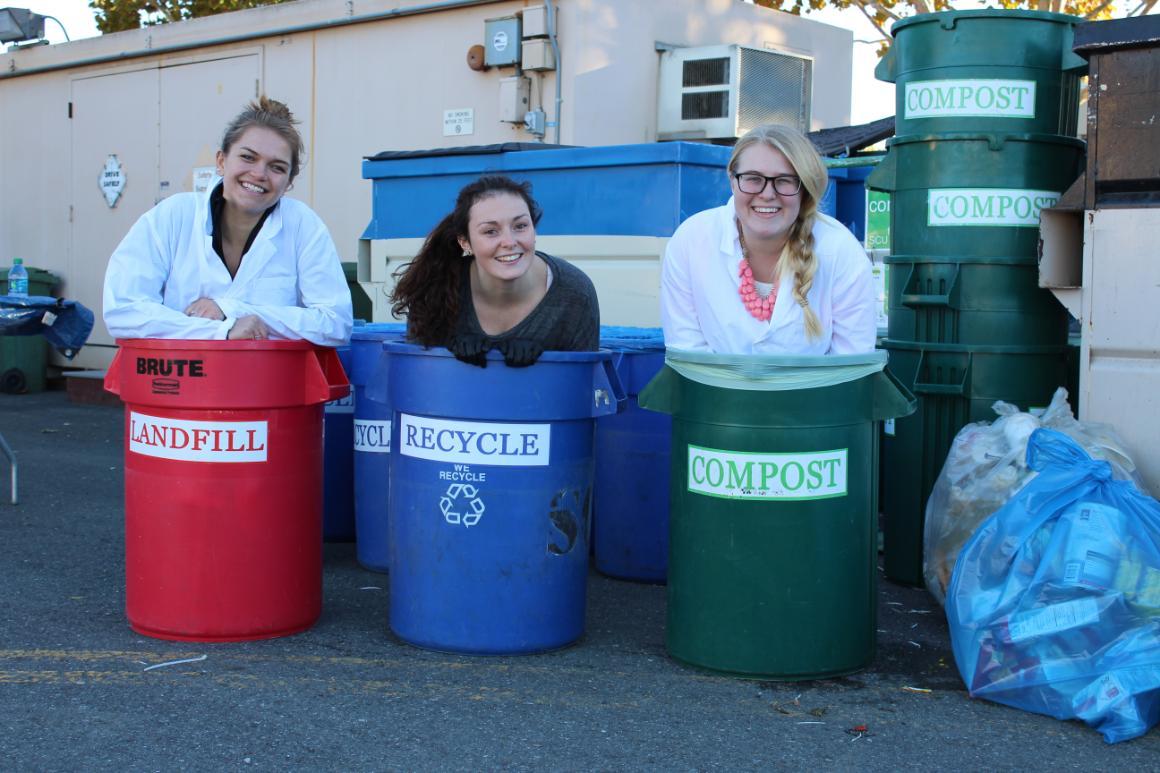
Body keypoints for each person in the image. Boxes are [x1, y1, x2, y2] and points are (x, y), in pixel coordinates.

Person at [103, 97, 352, 345]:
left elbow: (335, 323)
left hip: (269, 382)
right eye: (247, 157)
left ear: (288, 182)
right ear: (221, 162)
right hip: (179, 380)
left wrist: (230, 309)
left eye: (276, 167)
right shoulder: (172, 216)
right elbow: (123, 311)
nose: (259, 174)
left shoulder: (303, 226)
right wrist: (223, 331)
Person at [660, 124, 876, 355]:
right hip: (712, 391)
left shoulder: (841, 251)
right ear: (732, 180)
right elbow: (688, 356)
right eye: (753, 178)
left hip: (818, 392)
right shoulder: (691, 241)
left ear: (804, 188)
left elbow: (851, 366)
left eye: (784, 180)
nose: (767, 194)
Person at [390, 175, 599, 367]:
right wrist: (446, 353)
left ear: (534, 230)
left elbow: (584, 388)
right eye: (490, 231)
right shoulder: (436, 286)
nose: (509, 242)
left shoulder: (574, 293)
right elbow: (416, 379)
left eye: (520, 226)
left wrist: (544, 364)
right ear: (465, 242)